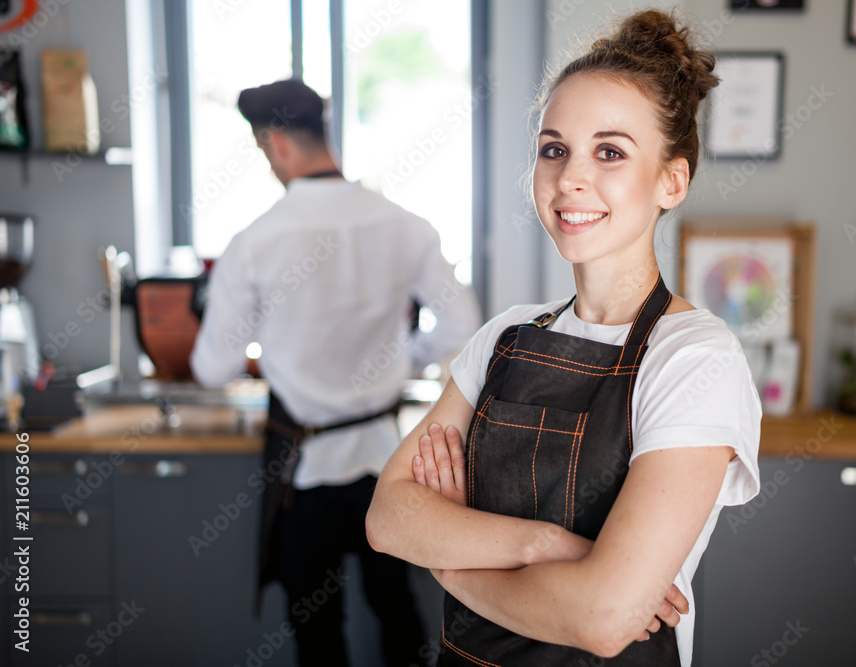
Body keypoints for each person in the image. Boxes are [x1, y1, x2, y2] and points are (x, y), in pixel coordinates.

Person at [366, 9, 762, 667]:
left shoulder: (695, 359)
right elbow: (388, 520)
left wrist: (451, 557)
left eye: (610, 151)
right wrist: (545, 544)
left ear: (672, 180)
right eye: (555, 149)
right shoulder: (503, 337)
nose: (571, 177)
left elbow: (605, 618)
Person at [190, 78, 481, 667]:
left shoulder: (254, 241)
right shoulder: (406, 224)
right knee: (397, 613)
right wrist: (404, 355)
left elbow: (212, 366)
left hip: (307, 470)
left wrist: (267, 352)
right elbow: (461, 332)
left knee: (316, 629)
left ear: (276, 145)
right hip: (386, 462)